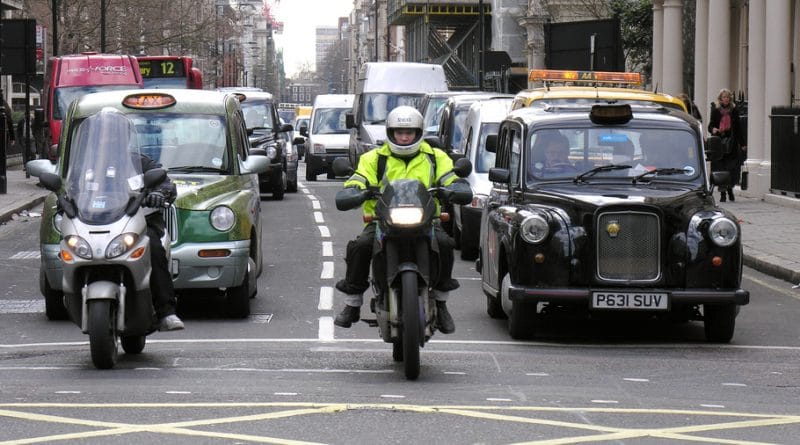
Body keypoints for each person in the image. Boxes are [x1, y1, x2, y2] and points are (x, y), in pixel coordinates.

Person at [333, 105, 468, 334]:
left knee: (445, 244)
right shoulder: (373, 159)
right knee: (361, 246)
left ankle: (442, 302)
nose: (404, 137)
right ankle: (352, 303)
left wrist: (455, 187)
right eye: (399, 132)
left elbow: (450, 178)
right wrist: (355, 190)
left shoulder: (435, 157)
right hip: (381, 221)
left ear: (418, 133)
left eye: (409, 133)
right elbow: (356, 180)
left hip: (427, 220)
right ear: (390, 133)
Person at [140, 153, 185, 331]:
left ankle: (166, 312)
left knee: (152, 246)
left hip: (139, 222)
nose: (108, 140)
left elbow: (166, 183)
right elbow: (70, 184)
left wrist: (159, 193)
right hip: (97, 224)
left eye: (112, 135)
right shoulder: (88, 165)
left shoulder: (140, 162)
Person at [708, 88, 746, 202]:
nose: (726, 99)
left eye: (728, 97)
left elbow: (738, 128)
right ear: (720, 98)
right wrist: (713, 129)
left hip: (732, 144)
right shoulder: (716, 111)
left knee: (731, 169)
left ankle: (730, 190)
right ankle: (723, 193)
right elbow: (710, 126)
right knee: (722, 169)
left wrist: (743, 143)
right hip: (720, 144)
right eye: (724, 97)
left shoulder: (734, 110)